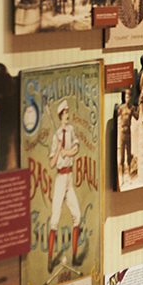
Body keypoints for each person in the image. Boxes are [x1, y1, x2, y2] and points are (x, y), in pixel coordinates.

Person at [47, 100, 83, 272]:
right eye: (66, 112)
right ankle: (49, 260)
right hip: (60, 178)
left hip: (70, 177)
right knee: (55, 219)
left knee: (77, 215)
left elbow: (76, 149)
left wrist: (66, 151)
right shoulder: (56, 136)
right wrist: (58, 151)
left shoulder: (70, 131)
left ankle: (75, 256)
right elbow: (52, 163)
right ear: (61, 115)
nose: (68, 115)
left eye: (68, 112)